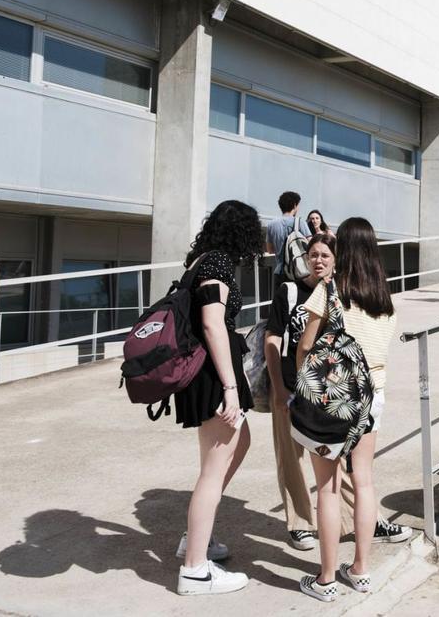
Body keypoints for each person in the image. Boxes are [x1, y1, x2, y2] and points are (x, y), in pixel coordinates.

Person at [294, 217, 397, 602]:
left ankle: (325, 579)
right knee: (365, 480)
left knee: (328, 486)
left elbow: (306, 345)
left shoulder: (330, 290)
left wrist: (302, 377)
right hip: (373, 397)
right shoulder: (384, 297)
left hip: (333, 397)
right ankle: (360, 569)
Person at [174, 200, 262, 596]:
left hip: (208, 373)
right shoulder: (218, 265)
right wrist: (230, 387)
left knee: (236, 444)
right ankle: (195, 568)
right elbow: (212, 323)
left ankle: (198, 536)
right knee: (212, 469)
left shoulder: (200, 260)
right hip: (212, 376)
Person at [265, 191, 311, 290]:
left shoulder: (271, 225)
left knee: (281, 302)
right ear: (294, 205)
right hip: (298, 271)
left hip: (280, 272)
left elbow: (270, 250)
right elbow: (311, 245)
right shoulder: (300, 222)